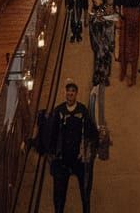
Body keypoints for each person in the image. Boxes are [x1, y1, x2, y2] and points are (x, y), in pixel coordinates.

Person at [48, 79, 98, 213]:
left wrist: (91, 149)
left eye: (73, 92)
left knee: (85, 194)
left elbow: (91, 131)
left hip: (79, 160)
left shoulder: (82, 110)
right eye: (68, 91)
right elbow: (52, 134)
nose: (70, 94)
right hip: (62, 160)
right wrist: (52, 154)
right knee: (59, 197)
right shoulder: (58, 111)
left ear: (76, 94)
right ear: (65, 93)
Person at [115, 0, 140, 86]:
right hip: (124, 13)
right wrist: (118, 13)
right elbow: (117, 0)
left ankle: (133, 75)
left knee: (133, 44)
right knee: (123, 43)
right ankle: (123, 70)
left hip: (134, 14)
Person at [88, 0, 119, 87]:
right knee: (98, 60)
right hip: (98, 41)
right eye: (96, 0)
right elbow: (93, 24)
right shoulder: (93, 11)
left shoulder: (105, 9)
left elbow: (113, 20)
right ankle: (97, 77)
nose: (98, 0)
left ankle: (105, 77)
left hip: (105, 41)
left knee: (106, 59)